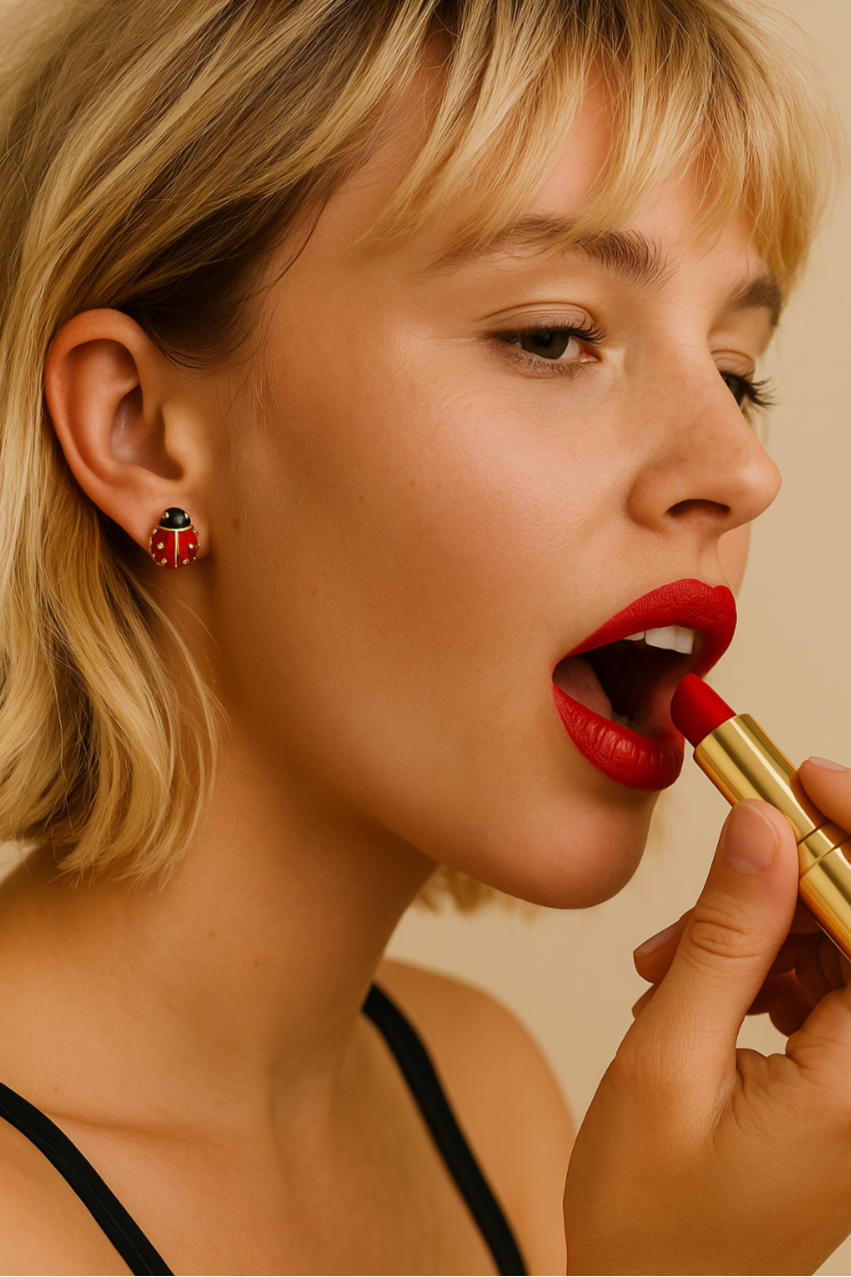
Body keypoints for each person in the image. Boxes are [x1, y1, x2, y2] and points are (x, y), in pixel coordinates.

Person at [0, 0, 848, 1272]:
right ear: (137, 429)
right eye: (552, 336)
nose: (738, 467)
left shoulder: (477, 1081)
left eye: (735, 370)